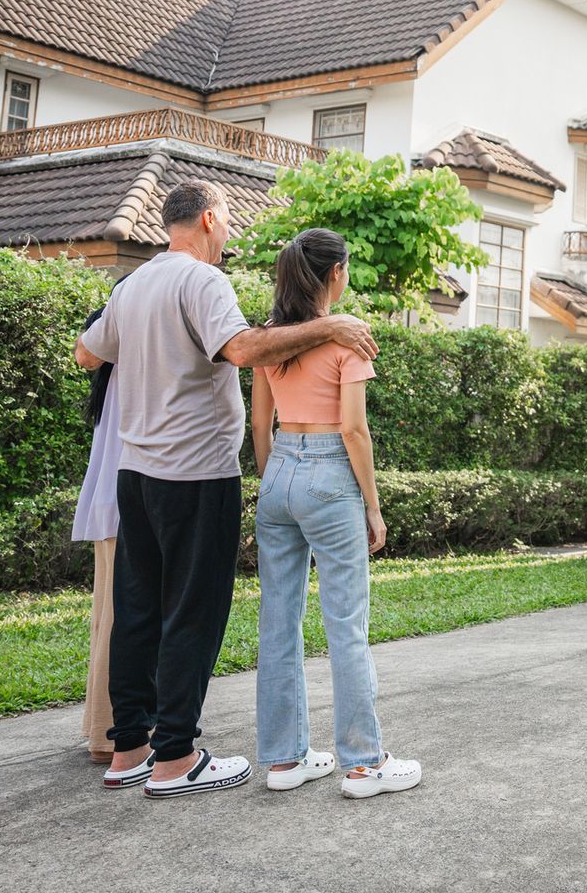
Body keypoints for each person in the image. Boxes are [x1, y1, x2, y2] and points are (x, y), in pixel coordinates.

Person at [75, 180, 376, 800]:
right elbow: (243, 349)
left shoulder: (132, 284)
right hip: (194, 472)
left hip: (135, 471)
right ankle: (176, 758)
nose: (231, 231)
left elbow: (86, 353)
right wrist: (332, 327)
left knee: (138, 609)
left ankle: (128, 748)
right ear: (210, 219)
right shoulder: (202, 281)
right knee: (193, 611)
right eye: (230, 219)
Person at [250, 228, 421, 799]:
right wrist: (372, 506)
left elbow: (259, 427)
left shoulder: (270, 338)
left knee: (278, 622)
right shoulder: (348, 339)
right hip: (330, 472)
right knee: (345, 624)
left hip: (278, 473)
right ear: (336, 274)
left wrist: (280, 481)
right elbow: (353, 429)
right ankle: (363, 765)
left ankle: (282, 761)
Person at [72, 301, 122, 764]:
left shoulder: (112, 374)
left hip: (113, 504)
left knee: (108, 614)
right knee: (121, 617)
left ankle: (100, 727)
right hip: (129, 505)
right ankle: (109, 734)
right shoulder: (131, 372)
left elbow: (83, 352)